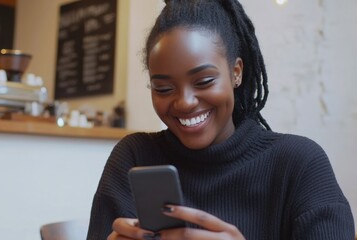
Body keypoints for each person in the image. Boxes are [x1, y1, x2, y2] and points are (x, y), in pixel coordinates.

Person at [87, 0, 355, 239]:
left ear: (236, 72)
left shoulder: (300, 164)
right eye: (164, 89)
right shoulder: (135, 156)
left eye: (203, 81)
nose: (184, 102)